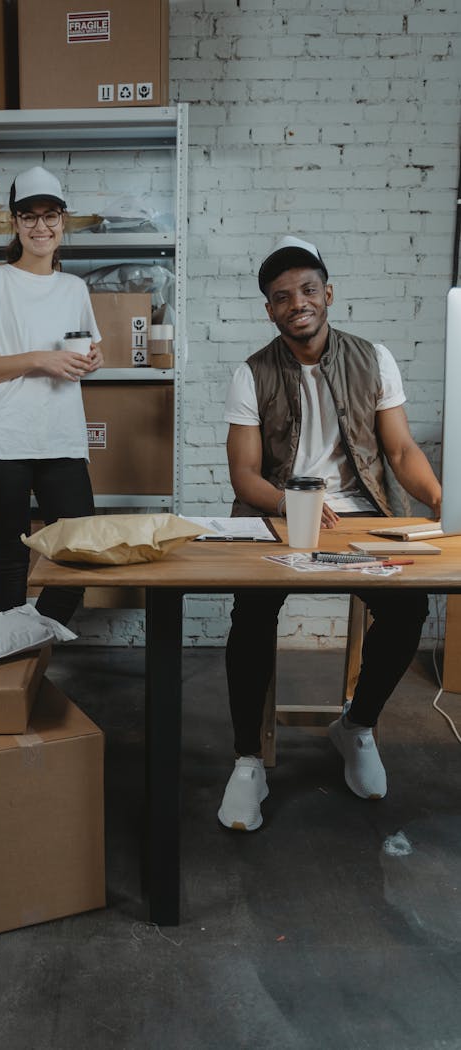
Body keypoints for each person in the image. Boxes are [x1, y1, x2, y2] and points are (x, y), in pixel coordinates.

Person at [219, 235, 442, 831]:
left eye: (308, 290)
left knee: (407, 608)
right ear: (270, 308)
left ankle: (357, 726)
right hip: (277, 516)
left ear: (328, 294)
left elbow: (398, 449)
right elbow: (244, 475)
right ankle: (248, 760)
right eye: (283, 296)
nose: (298, 303)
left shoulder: (375, 359)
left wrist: (444, 498)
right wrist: (297, 501)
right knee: (250, 614)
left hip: (364, 516)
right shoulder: (252, 372)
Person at [0, 165, 103, 625]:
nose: (41, 226)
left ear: (64, 221)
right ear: (14, 223)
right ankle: (10, 670)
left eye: (50, 215)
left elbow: (82, 349)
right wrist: (39, 359)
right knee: (11, 561)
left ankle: (29, 641)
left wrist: (91, 360)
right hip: (4, 440)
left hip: (60, 437)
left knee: (79, 558)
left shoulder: (75, 288)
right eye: (29, 216)